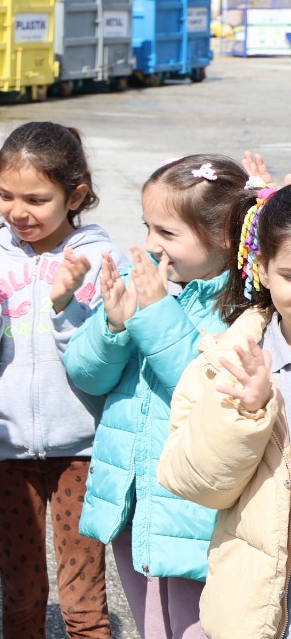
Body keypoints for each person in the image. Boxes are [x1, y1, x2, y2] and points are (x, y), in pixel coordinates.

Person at [65, 155, 259, 638]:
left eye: (167, 233)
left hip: (194, 515)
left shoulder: (244, 310)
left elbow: (206, 392)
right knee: (153, 626)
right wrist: (113, 325)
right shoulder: (151, 288)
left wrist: (152, 316)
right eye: (147, 227)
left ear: (223, 236)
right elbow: (86, 375)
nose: (151, 244)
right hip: (136, 504)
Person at [0, 121, 123, 639]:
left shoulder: (100, 260)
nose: (17, 211)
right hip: (6, 449)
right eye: (6, 195)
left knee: (84, 599)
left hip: (83, 452)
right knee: (21, 595)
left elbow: (101, 368)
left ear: (77, 196)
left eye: (36, 199)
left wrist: (66, 305)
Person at [158, 182, 290, 639]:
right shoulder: (225, 360)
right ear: (262, 268)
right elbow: (191, 479)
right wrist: (244, 412)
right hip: (261, 607)